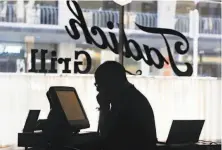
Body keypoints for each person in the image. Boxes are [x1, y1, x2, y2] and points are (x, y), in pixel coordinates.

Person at [94, 61, 157, 150]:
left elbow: (106, 137)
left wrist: (104, 107)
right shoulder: (132, 96)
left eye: (99, 84)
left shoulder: (125, 102)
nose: (97, 89)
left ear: (111, 83)